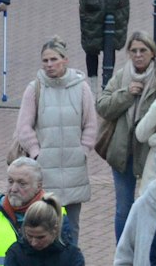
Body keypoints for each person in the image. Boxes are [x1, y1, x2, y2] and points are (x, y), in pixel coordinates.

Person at [15, 38, 97, 247]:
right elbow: (23, 127)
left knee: (71, 226)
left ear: (65, 60)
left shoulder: (81, 88)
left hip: (74, 168)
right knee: (43, 223)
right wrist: (36, 153)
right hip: (45, 170)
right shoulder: (35, 88)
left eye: (54, 59)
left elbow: (90, 124)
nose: (49, 64)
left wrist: (83, 150)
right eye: (45, 60)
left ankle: (72, 263)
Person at [95, 34, 156, 237]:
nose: (138, 55)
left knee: (152, 205)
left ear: (152, 53)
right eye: (134, 51)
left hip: (149, 154)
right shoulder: (122, 76)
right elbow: (102, 106)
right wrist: (126, 94)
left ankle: (147, 249)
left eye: (143, 50)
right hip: (122, 153)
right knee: (123, 209)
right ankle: (122, 252)